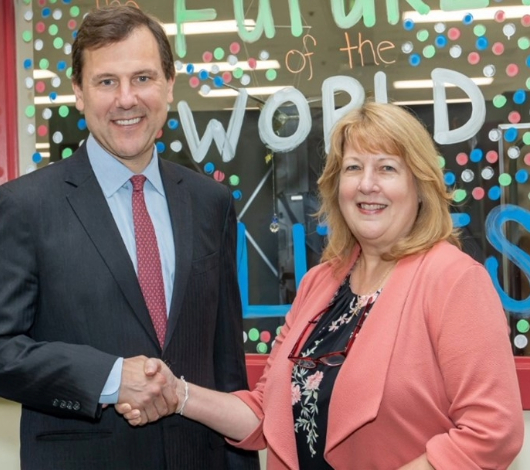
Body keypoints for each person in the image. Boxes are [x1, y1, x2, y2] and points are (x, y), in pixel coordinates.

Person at [117, 102, 524, 469]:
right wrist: (178, 393)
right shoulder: (320, 284)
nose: (367, 184)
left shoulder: (453, 280)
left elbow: (492, 431)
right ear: (336, 188)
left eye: (387, 168)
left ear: (419, 188)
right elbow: (266, 413)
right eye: (353, 168)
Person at [0, 5, 259, 470]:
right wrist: (112, 378)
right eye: (106, 82)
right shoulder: (24, 207)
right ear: (78, 92)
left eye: (142, 78)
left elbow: (226, 366)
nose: (126, 99)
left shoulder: (210, 202)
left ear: (168, 85)